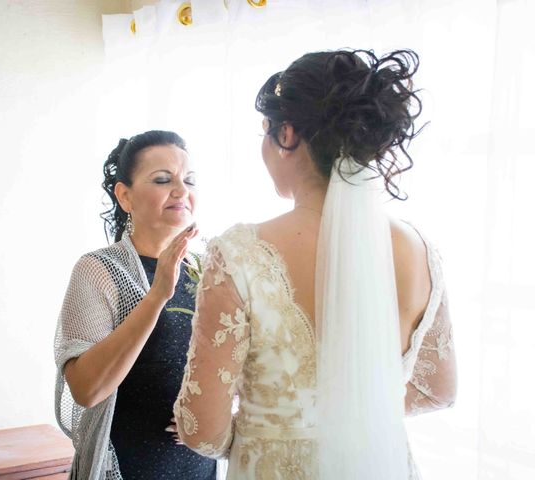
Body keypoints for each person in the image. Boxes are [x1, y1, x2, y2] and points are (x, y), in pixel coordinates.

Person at [173, 50, 457, 479]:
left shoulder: (239, 252)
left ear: (286, 134)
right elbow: (438, 390)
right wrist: (358, 420)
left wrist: (266, 433)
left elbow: (201, 429)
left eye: (265, 131)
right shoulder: (417, 248)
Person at [54, 130, 217, 479]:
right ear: (125, 196)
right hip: (127, 467)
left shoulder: (208, 272)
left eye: (189, 180)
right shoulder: (99, 270)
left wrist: (220, 412)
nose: (181, 190)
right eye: (163, 179)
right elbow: (87, 389)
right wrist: (157, 295)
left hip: (197, 469)